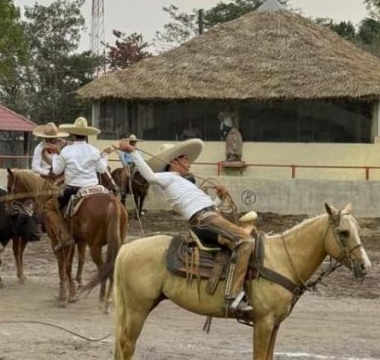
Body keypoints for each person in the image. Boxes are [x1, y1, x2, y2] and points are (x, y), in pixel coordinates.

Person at [116, 136, 255, 315]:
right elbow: (149, 176)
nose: (189, 165)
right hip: (205, 220)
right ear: (175, 161)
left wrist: (219, 198)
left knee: (248, 240)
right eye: (186, 160)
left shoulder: (185, 182)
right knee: (246, 241)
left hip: (209, 215)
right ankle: (232, 296)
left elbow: (205, 204)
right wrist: (133, 152)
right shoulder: (167, 178)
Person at [49, 116, 115, 250]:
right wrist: (105, 157)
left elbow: (56, 170)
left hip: (74, 189)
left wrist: (56, 155)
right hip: (96, 187)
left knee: (50, 207)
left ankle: (65, 236)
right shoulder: (94, 150)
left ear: (73, 134)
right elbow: (102, 169)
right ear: (86, 135)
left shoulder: (66, 151)